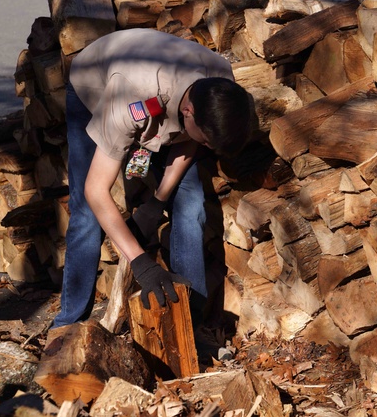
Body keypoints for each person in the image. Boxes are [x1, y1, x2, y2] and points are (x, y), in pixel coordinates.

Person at [51, 28, 253, 329]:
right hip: (95, 83)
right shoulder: (129, 102)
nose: (208, 148)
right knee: (86, 213)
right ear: (188, 111)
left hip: (159, 95)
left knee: (192, 204)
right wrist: (141, 264)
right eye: (209, 141)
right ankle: (68, 323)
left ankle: (192, 324)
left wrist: (157, 202)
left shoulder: (220, 84)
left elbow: (190, 140)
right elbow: (96, 190)